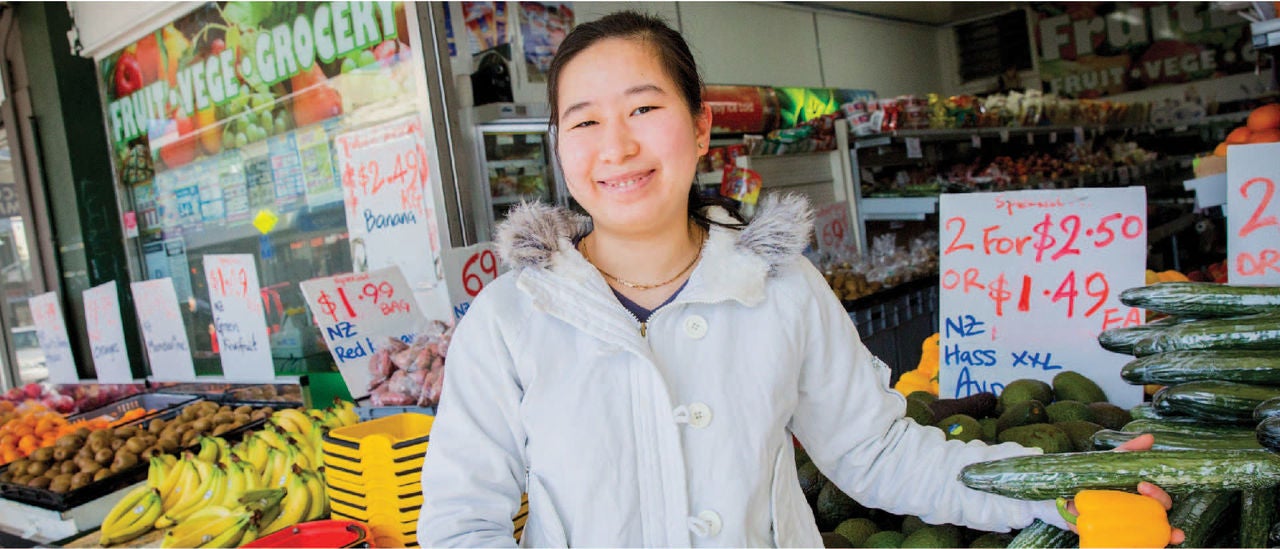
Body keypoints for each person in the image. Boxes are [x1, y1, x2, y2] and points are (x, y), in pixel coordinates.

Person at [418, 10, 1184, 548]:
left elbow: (882, 453)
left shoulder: (781, 290)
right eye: (583, 121)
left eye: (643, 108)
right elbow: (461, 523)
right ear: (559, 146)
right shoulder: (510, 319)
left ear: (701, 126)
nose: (614, 146)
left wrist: (1067, 482)